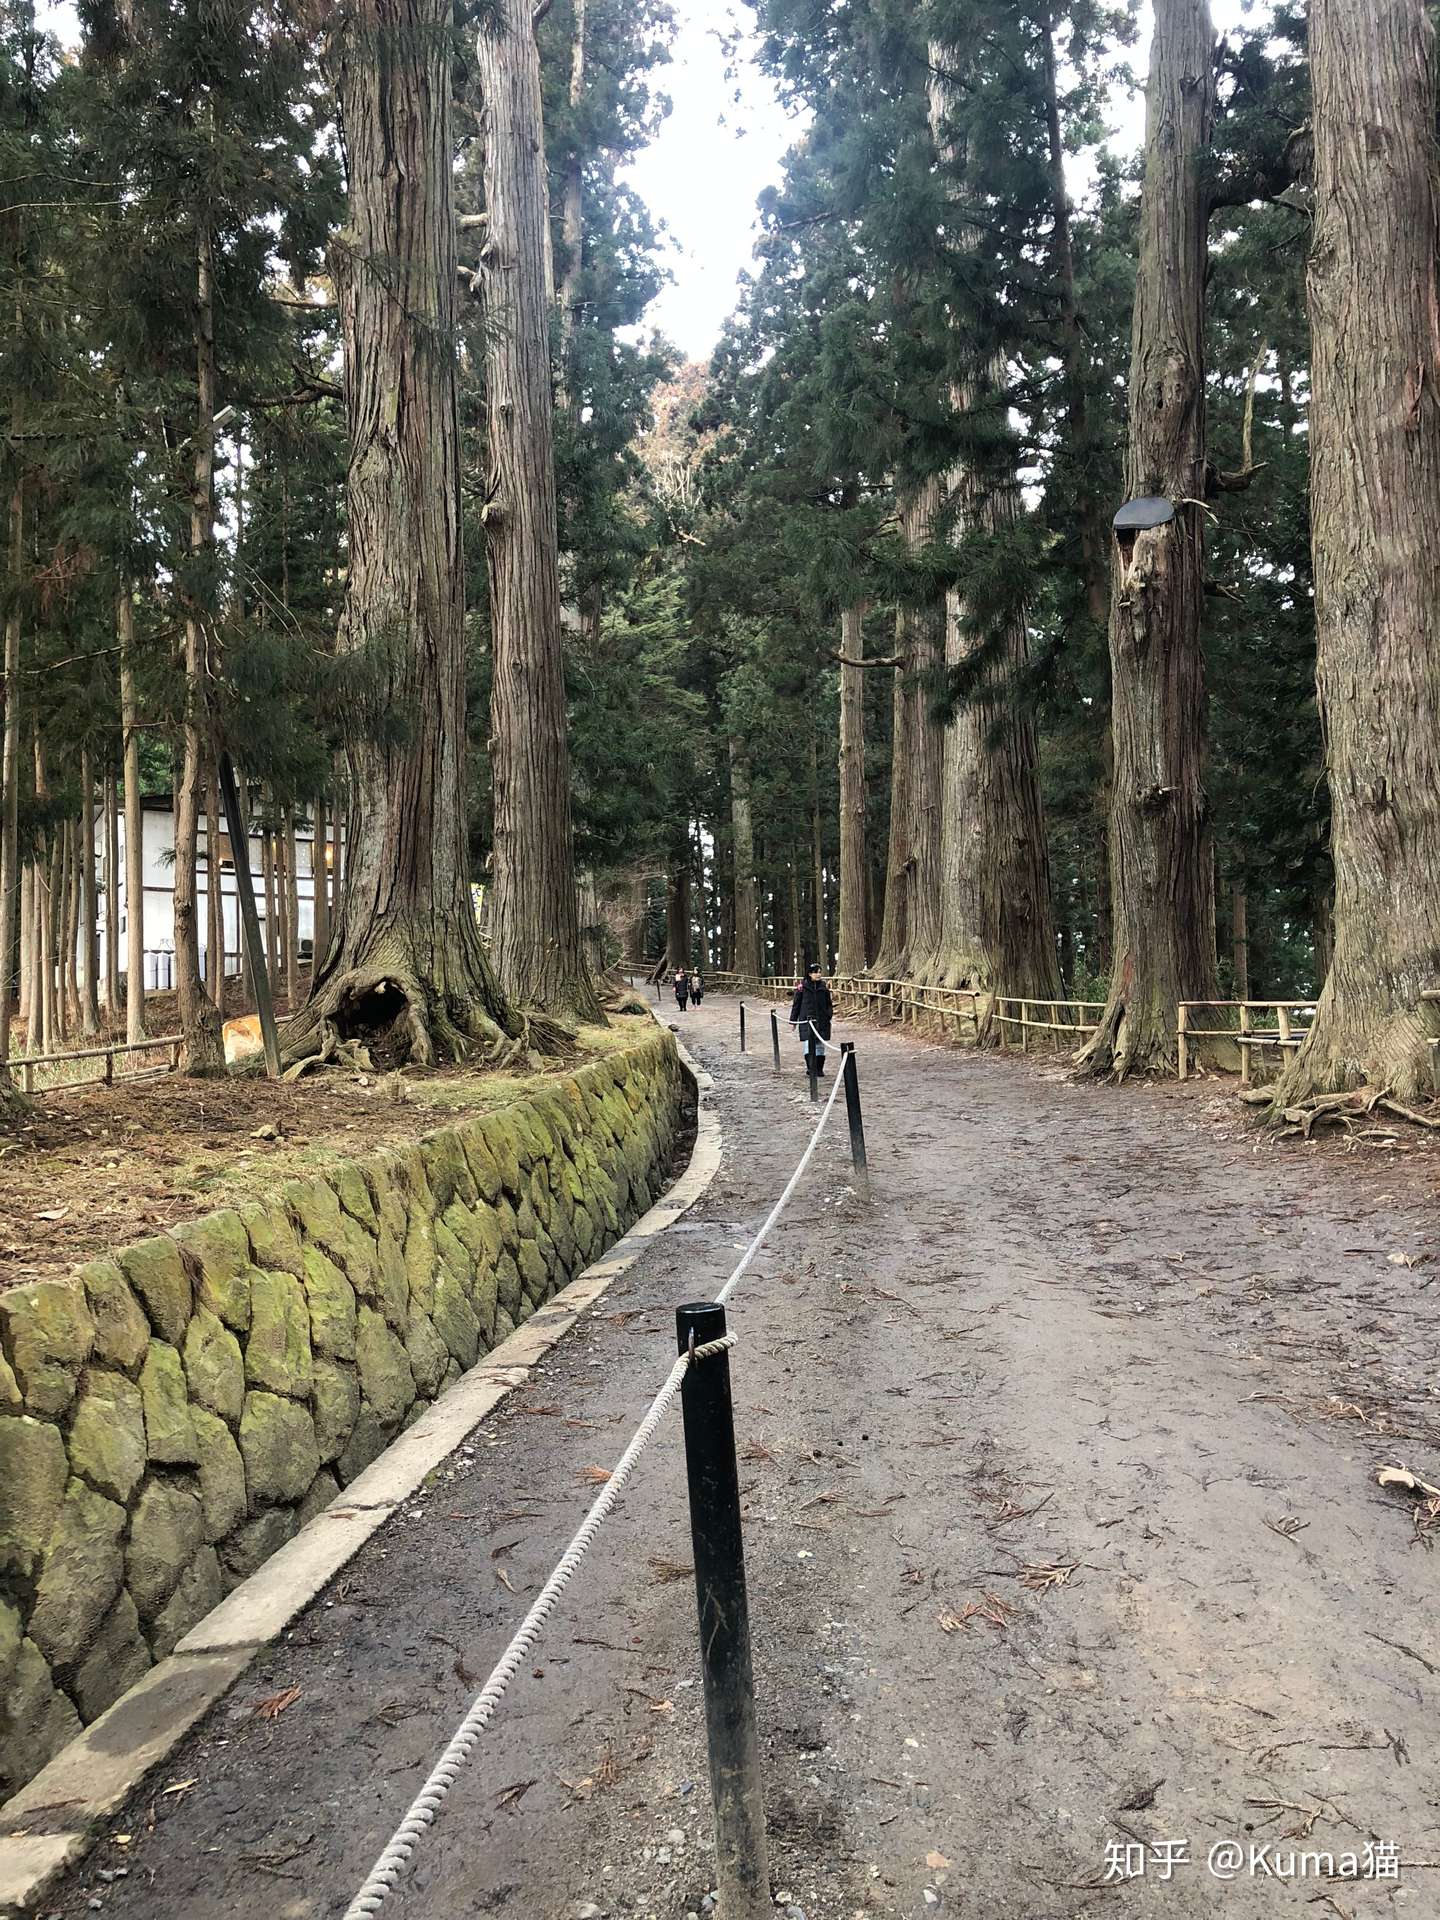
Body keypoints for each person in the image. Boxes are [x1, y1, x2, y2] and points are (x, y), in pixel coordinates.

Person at [789, 961, 833, 1076]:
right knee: (809, 1044)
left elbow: (829, 1003)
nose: (818, 975)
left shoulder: (823, 988)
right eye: (815, 972)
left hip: (822, 1020)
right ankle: (811, 1067)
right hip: (807, 1020)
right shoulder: (802, 988)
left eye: (819, 972)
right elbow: (796, 1005)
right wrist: (793, 1020)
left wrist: (829, 1014)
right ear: (809, 974)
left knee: (820, 1045)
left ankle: (819, 1068)